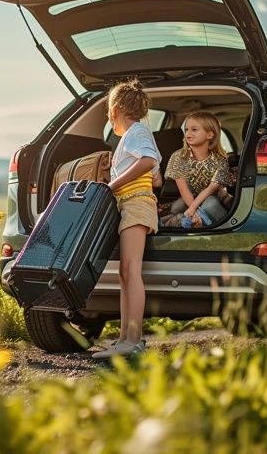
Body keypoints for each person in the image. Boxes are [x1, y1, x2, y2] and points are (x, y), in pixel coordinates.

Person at [93, 79, 162, 359]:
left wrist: (113, 185)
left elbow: (148, 160)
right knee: (125, 272)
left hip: (136, 205)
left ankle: (133, 340)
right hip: (130, 205)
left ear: (115, 111)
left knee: (131, 271)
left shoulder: (136, 132)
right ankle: (124, 338)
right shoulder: (133, 136)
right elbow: (155, 174)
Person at [163, 111, 230, 227]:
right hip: (187, 197)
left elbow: (211, 189)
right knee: (176, 207)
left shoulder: (220, 160)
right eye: (186, 129)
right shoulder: (179, 157)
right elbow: (183, 189)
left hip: (209, 196)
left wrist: (193, 208)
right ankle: (181, 220)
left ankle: (227, 229)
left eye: (194, 130)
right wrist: (193, 213)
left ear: (209, 135)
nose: (188, 133)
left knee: (210, 206)